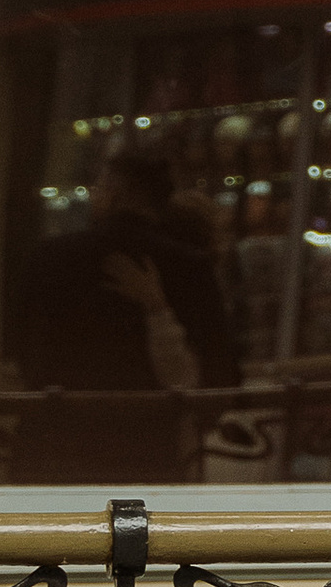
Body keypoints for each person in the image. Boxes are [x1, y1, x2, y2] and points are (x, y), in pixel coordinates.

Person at [12, 149, 237, 485]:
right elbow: (221, 370)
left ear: (113, 191)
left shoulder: (52, 258)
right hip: (151, 447)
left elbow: (20, 346)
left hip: (59, 441)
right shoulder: (188, 267)